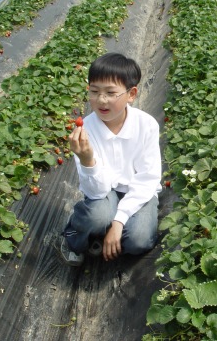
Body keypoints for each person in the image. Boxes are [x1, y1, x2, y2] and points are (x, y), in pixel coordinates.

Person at [57, 53, 162, 266]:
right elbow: (96, 192)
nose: (101, 100)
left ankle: (106, 236)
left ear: (131, 94)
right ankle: (74, 239)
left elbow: (147, 180)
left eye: (110, 93)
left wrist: (119, 221)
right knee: (98, 215)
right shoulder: (86, 130)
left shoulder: (147, 125)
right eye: (94, 92)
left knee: (138, 240)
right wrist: (87, 160)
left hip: (139, 191)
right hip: (105, 192)